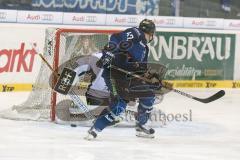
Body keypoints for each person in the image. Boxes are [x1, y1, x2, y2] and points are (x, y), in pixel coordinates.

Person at [85, 19, 161, 140]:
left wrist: (152, 79)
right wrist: (108, 54)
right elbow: (115, 38)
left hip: (128, 78)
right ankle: (95, 129)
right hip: (113, 74)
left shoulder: (144, 49)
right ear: (151, 33)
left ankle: (141, 125)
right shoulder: (136, 33)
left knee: (149, 96)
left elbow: (141, 71)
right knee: (119, 106)